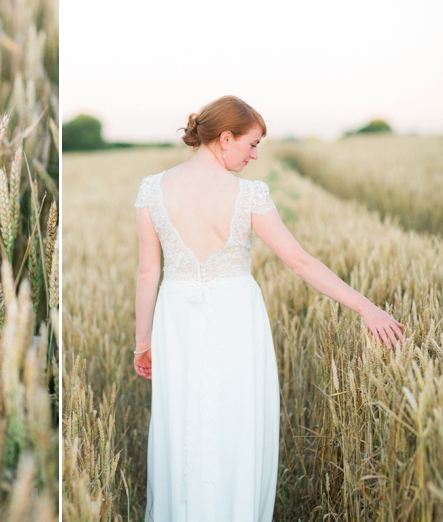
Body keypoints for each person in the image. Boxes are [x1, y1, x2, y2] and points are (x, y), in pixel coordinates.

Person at [132, 95, 405, 521]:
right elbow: (300, 262)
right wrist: (367, 308)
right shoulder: (248, 195)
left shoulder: (152, 189)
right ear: (225, 139)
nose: (255, 155)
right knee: (236, 423)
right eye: (252, 144)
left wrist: (143, 342)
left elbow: (148, 273)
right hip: (237, 319)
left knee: (183, 421)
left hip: (176, 320)